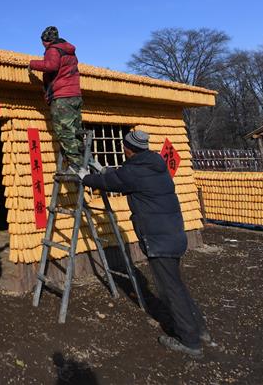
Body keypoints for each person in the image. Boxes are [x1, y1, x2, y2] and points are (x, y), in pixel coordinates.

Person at [81, 130, 210, 358]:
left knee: (169, 291)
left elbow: (112, 181)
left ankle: (190, 341)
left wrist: (86, 177)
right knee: (176, 285)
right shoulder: (154, 164)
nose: (122, 150)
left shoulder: (136, 171)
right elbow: (120, 176)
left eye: (124, 147)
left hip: (159, 239)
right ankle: (199, 330)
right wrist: (103, 168)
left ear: (130, 149)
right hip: (173, 234)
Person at [28, 26, 83, 170]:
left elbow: (51, 66)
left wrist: (32, 64)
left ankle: (76, 165)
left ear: (46, 40)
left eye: (43, 43)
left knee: (64, 131)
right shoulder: (69, 51)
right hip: (75, 95)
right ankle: (84, 158)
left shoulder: (53, 49)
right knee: (75, 130)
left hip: (62, 97)